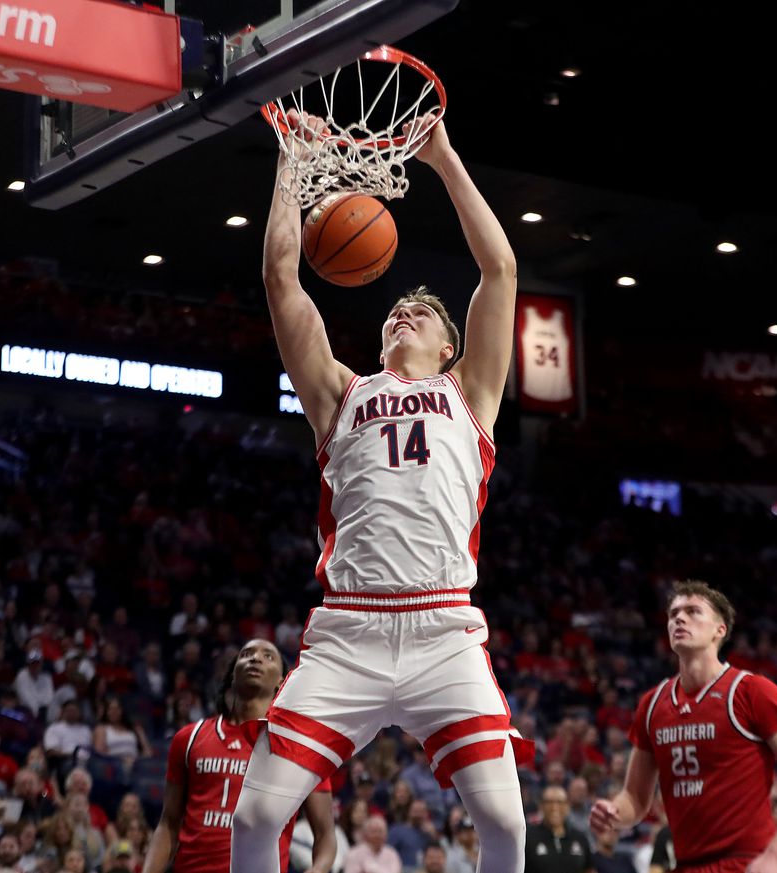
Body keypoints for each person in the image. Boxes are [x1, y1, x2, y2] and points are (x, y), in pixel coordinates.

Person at [232, 107, 524, 873]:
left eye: (421, 312)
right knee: (258, 812)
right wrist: (290, 160)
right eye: (396, 309)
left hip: (442, 633)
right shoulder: (340, 392)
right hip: (349, 634)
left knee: (504, 820)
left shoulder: (474, 391)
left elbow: (501, 272)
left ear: (448, 343)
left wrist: (445, 158)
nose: (403, 312)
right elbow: (281, 279)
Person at [590, 582, 777, 873]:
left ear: (720, 630)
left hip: (748, 863)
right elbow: (635, 799)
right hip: (687, 864)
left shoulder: (753, 691)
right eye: (674, 613)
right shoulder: (652, 705)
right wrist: (614, 812)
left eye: (693, 612)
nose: (679, 618)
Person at [146, 639, 336, 873]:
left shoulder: (301, 748)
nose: (255, 658)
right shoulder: (189, 737)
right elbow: (168, 824)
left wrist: (316, 870)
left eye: (268, 656)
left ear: (282, 682)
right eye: (246, 654)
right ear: (232, 676)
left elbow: (326, 836)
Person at [525, 785, 593, 873]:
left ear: (567, 806)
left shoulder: (580, 838)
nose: (554, 807)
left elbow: (589, 869)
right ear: (541, 806)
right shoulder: (529, 838)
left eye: (560, 802)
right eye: (549, 802)